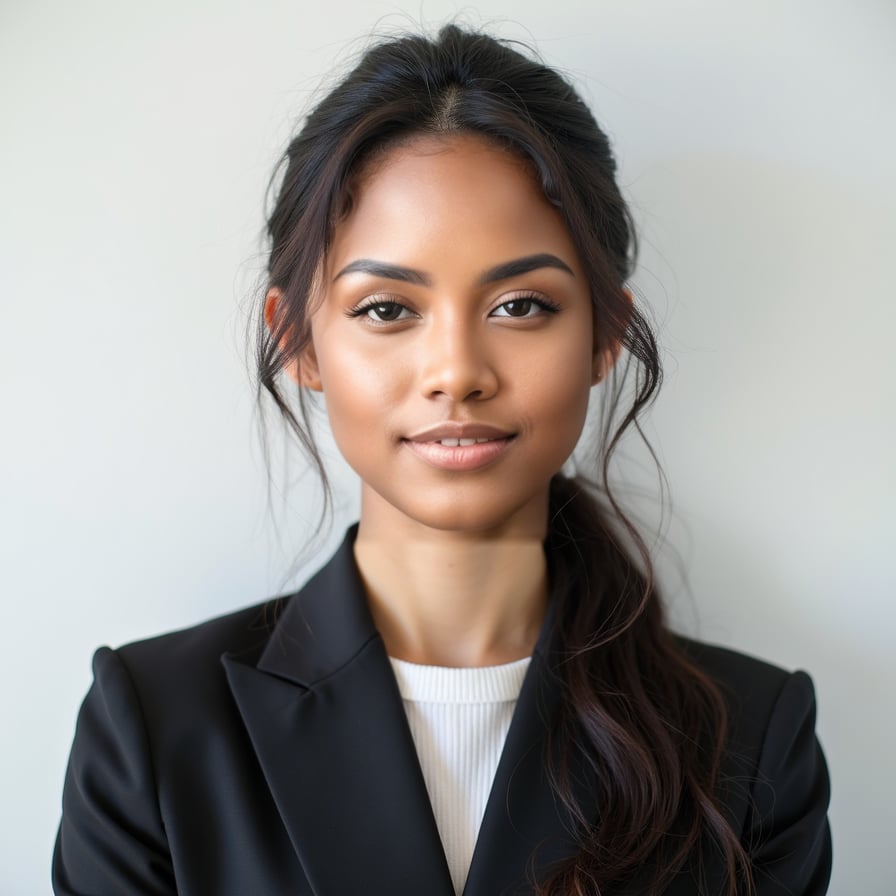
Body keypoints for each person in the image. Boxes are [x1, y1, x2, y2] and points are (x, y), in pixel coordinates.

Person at [52, 23, 831, 896]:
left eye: (522, 305)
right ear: (296, 340)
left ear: (606, 333)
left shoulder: (752, 741)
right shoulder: (156, 729)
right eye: (387, 309)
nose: (457, 372)